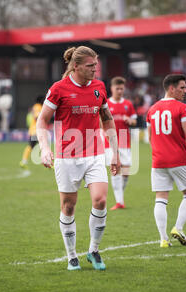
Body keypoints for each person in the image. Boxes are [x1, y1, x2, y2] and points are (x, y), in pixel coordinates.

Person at [36, 46, 121, 271]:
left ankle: (93, 250)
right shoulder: (58, 89)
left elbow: (107, 120)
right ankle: (72, 255)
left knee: (101, 200)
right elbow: (41, 121)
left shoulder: (99, 87)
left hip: (94, 154)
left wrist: (114, 152)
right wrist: (45, 149)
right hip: (66, 157)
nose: (95, 69)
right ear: (76, 66)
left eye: (96, 65)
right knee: (68, 206)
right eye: (90, 66)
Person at [146, 74, 186, 248]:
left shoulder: (151, 110)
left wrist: (158, 152)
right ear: (171, 88)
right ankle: (178, 228)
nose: (185, 91)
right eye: (182, 87)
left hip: (158, 161)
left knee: (160, 198)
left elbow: (150, 138)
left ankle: (163, 239)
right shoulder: (182, 108)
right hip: (178, 159)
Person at [103, 76, 137, 210]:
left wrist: (129, 120)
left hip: (124, 141)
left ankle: (119, 196)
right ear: (112, 88)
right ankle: (119, 202)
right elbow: (100, 122)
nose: (120, 91)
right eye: (117, 88)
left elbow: (135, 121)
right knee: (116, 170)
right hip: (110, 143)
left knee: (126, 172)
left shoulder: (128, 104)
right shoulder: (106, 104)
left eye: (122, 88)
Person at [20, 95, 44, 169]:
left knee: (36, 145)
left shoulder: (36, 107)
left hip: (35, 130)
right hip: (36, 131)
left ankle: (24, 161)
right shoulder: (38, 106)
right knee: (35, 145)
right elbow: (37, 117)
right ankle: (24, 161)